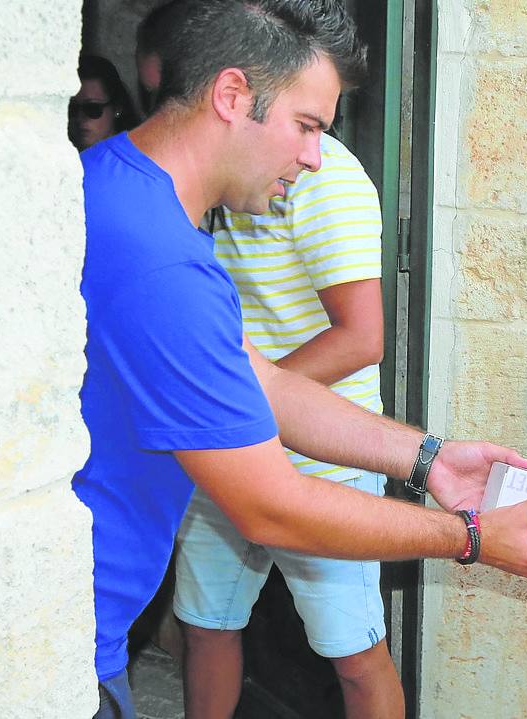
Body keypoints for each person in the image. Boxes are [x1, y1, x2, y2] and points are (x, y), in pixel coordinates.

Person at [74, 2, 527, 717]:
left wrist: (429, 457)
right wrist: (472, 536)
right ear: (231, 95)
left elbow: (263, 382)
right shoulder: (160, 259)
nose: (316, 155)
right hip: (72, 639)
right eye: (307, 125)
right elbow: (271, 507)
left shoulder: (128, 196)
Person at [173, 138, 401, 718]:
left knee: (355, 654)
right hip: (220, 443)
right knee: (205, 625)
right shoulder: (197, 163)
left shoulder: (328, 175)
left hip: (318, 455)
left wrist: (241, 404)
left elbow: (362, 338)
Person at [68, 54, 141, 152]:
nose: (80, 118)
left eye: (92, 108)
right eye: (72, 108)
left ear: (117, 107)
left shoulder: (135, 157)